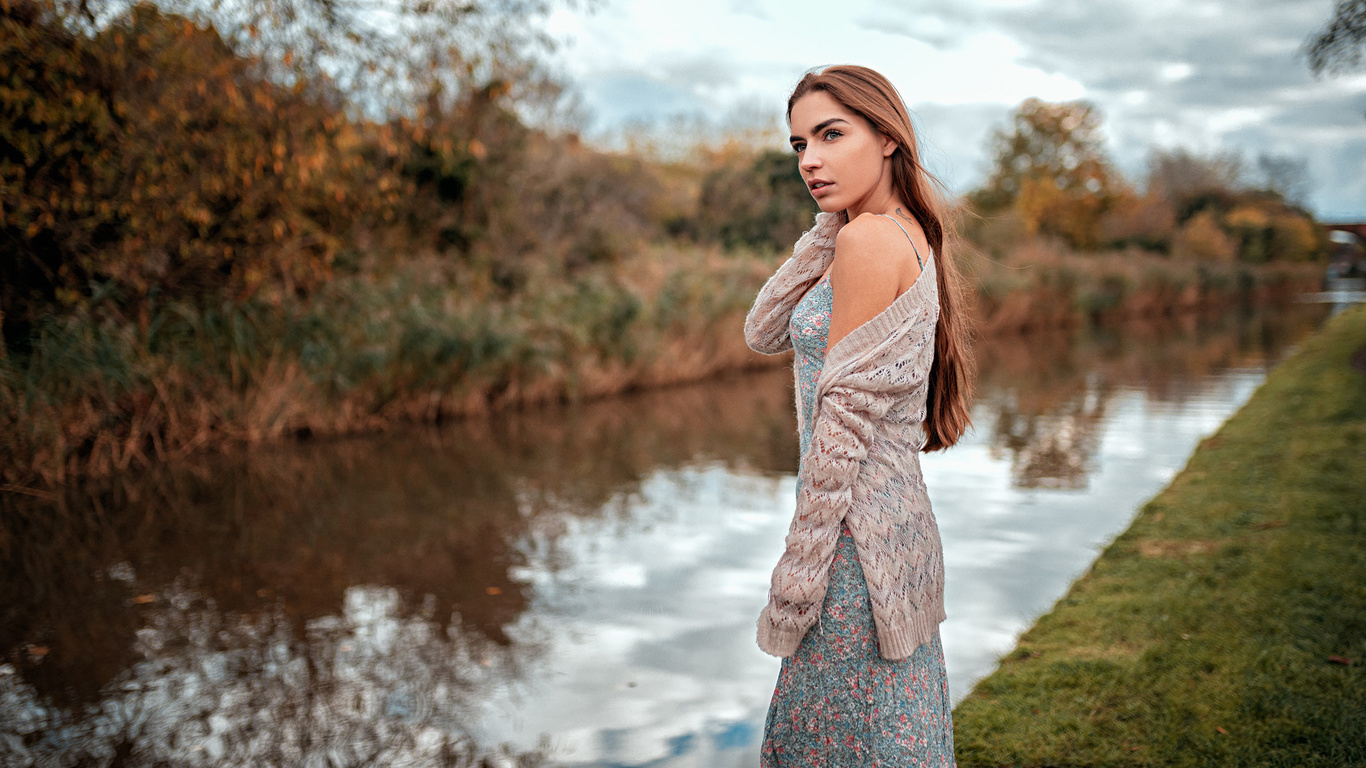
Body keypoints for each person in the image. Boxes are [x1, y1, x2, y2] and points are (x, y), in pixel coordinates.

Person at [743, 64, 973, 767]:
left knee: (843, 747)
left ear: (887, 138)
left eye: (831, 134)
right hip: (892, 533)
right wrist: (829, 224)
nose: (810, 160)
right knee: (884, 736)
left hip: (850, 552)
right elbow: (764, 328)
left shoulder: (870, 242)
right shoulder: (887, 232)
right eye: (798, 145)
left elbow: (837, 439)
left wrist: (796, 582)